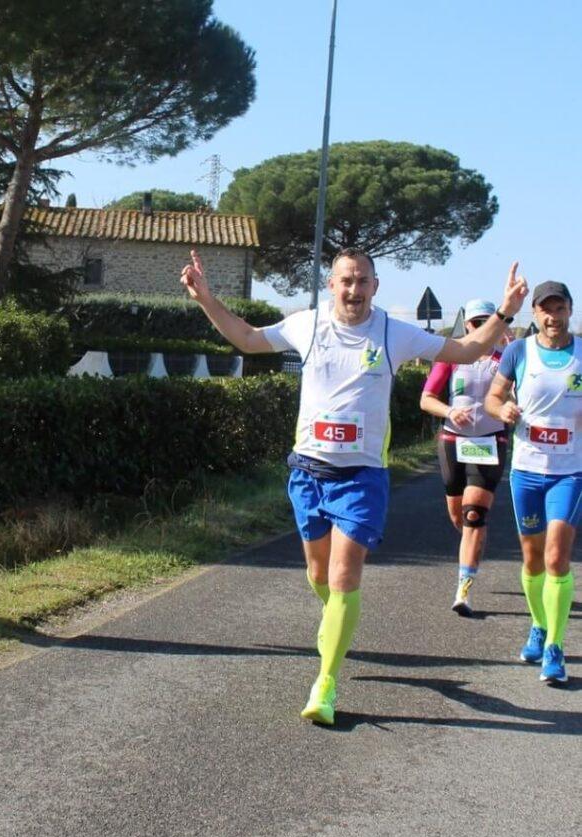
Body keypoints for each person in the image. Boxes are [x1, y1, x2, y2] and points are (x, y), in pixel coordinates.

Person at [180, 248, 527, 724]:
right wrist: (205, 298)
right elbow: (246, 337)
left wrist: (507, 311)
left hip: (362, 477)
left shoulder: (393, 332)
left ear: (375, 286)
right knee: (319, 578)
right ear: (332, 285)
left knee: (344, 578)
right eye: (346, 280)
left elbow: (464, 350)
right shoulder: (308, 325)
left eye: (363, 281)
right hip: (308, 470)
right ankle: (335, 622)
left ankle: (325, 683)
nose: (354, 290)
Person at [485, 280, 581, 685]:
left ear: (570, 311)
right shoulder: (518, 351)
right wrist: (502, 408)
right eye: (545, 309)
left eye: (559, 309)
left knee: (557, 557)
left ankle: (555, 646)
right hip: (525, 470)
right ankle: (539, 625)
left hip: (570, 472)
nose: (552, 317)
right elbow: (492, 397)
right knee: (532, 558)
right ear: (535, 314)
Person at [419, 298, 513, 616]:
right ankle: (472, 543)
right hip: (452, 442)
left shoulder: (506, 360)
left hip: (490, 441)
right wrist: (449, 411)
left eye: (488, 321)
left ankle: (463, 591)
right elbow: (427, 398)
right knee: (459, 516)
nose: (481, 327)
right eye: (475, 322)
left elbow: (518, 397)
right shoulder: (452, 358)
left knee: (474, 515)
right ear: (467, 326)